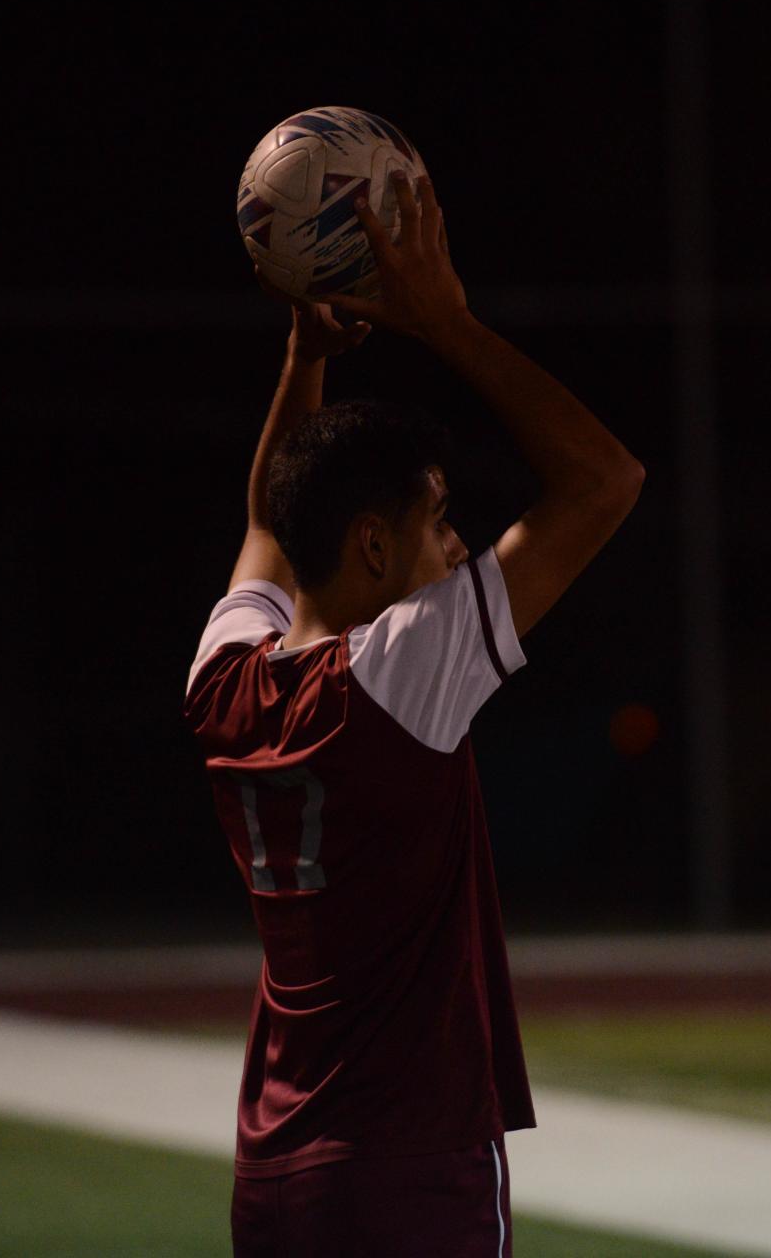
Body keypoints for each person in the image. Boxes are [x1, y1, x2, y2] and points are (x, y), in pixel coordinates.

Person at [182, 170, 644, 1256]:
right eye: (438, 522)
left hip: (276, 1169)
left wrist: (308, 351)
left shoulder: (226, 681)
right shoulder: (393, 673)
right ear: (374, 548)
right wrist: (448, 322)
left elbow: (268, 519)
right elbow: (603, 480)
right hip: (409, 1167)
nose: (456, 549)